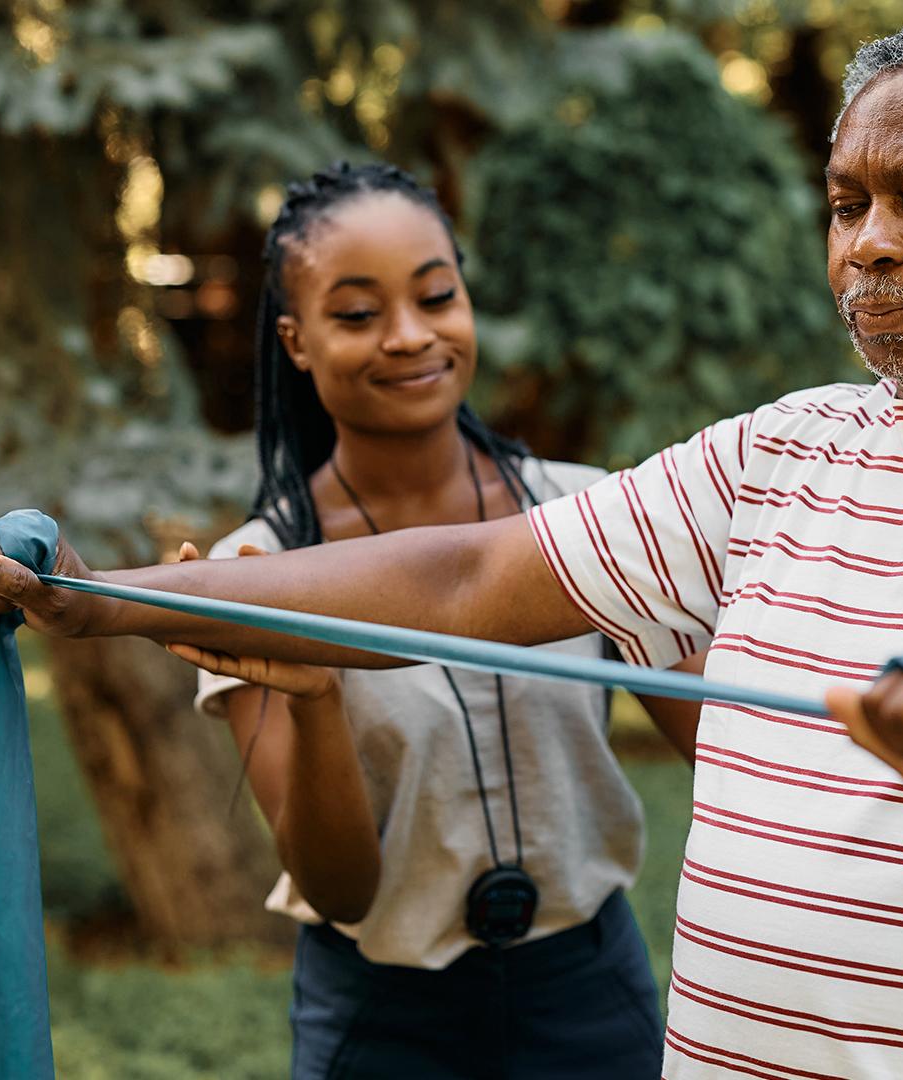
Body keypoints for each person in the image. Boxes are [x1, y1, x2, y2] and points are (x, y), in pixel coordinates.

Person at [0, 11, 903, 1078]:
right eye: (846, 202)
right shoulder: (787, 446)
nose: (866, 245)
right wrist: (102, 604)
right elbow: (467, 572)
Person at [162, 162, 700, 1078]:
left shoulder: (588, 514)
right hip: (383, 1017)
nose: (410, 337)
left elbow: (727, 748)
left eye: (436, 296)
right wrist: (316, 693)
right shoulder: (258, 575)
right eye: (359, 314)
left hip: (589, 991)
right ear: (296, 340)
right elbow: (339, 890)